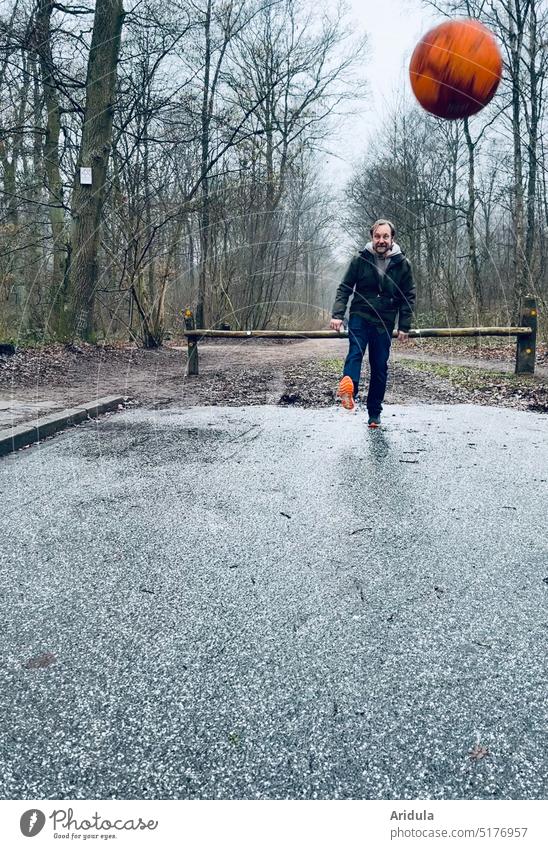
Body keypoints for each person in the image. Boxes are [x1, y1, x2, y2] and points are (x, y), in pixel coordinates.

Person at [330, 219, 415, 428]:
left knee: (379, 367)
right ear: (372, 237)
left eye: (385, 237)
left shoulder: (403, 264)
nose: (381, 240)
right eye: (377, 236)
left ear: (392, 239)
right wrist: (338, 314)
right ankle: (349, 391)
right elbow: (345, 287)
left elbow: (408, 296)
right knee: (355, 352)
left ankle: (374, 414)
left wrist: (404, 326)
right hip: (360, 315)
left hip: (384, 321)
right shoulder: (360, 260)